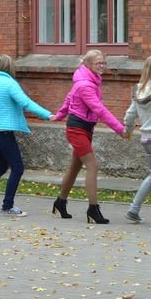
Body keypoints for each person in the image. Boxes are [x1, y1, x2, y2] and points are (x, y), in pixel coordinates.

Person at [0, 55, 52, 217]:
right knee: (17, 168)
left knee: (0, 166)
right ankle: (7, 205)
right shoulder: (11, 84)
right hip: (4, 131)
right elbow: (26, 103)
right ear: (11, 68)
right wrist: (47, 115)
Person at [52, 50, 128, 224]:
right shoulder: (86, 85)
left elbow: (70, 98)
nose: (102, 66)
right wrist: (119, 129)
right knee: (93, 166)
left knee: (75, 167)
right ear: (88, 64)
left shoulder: (88, 80)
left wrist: (60, 115)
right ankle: (93, 209)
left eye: (103, 62)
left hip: (85, 128)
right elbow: (99, 109)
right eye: (98, 63)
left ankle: (60, 202)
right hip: (77, 129)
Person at [123, 56, 151, 223]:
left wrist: (128, 131)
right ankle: (133, 209)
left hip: (146, 139)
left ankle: (134, 209)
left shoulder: (139, 91)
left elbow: (130, 115)